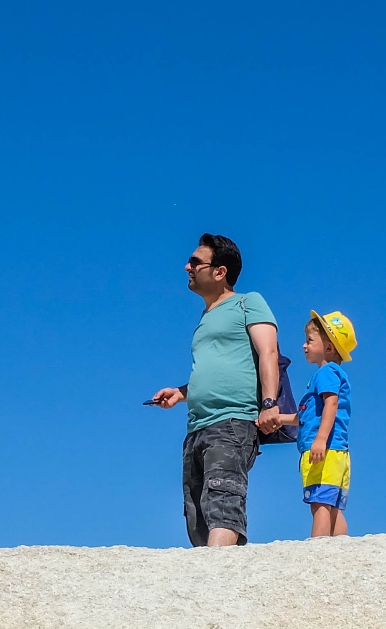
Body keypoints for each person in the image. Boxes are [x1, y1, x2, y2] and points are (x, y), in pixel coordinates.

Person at [148, 234, 290, 547]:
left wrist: (269, 403)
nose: (187, 266)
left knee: (223, 502)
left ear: (219, 271)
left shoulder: (247, 302)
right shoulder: (205, 318)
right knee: (197, 516)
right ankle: (217, 584)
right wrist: (182, 392)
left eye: (196, 262)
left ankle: (216, 579)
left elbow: (268, 352)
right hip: (196, 427)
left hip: (232, 422)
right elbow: (218, 366)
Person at [296, 310, 357, 538]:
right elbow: (311, 414)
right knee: (334, 506)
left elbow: (330, 404)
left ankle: (317, 547)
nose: (304, 346)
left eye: (309, 340)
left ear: (329, 348)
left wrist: (320, 440)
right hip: (339, 451)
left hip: (326, 449)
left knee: (319, 503)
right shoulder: (337, 373)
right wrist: (280, 419)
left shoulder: (326, 372)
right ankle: (340, 547)